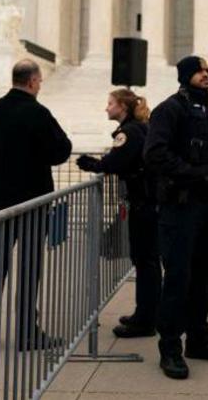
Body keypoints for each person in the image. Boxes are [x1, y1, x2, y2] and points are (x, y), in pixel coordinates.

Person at [144, 55, 208, 379]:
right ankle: (170, 347)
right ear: (186, 76)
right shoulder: (169, 110)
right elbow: (155, 154)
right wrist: (196, 174)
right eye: (200, 72)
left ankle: (199, 338)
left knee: (204, 276)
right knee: (178, 278)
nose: (206, 76)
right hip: (179, 207)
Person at [0, 59, 72, 349]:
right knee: (29, 269)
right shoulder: (37, 112)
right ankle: (25, 331)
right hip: (31, 201)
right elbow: (61, 149)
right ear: (33, 82)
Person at [76, 88, 158, 338]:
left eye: (110, 103)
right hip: (148, 201)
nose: (107, 107)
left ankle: (145, 320)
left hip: (143, 203)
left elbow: (115, 163)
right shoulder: (141, 127)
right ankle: (145, 313)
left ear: (122, 106)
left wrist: (90, 164)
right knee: (147, 261)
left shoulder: (129, 132)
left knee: (145, 261)